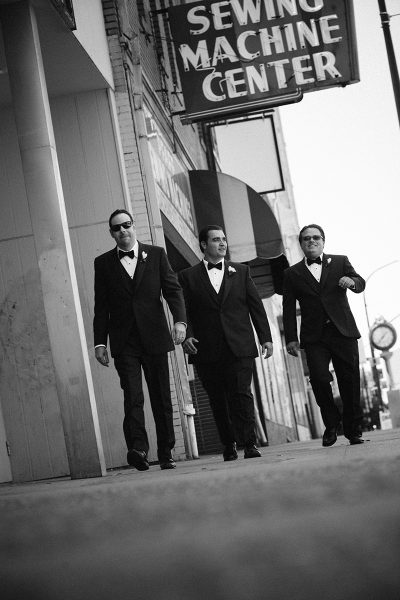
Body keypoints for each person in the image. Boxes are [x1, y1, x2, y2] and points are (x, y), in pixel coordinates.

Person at [93, 209, 187, 471]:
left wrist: (180, 321)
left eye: (126, 225)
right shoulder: (103, 263)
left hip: (155, 337)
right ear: (111, 233)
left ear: (133, 226)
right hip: (124, 341)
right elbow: (101, 306)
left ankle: (166, 451)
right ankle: (139, 449)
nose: (122, 230)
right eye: (117, 228)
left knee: (161, 397)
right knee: (132, 396)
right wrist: (99, 342)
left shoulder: (156, 255)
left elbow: (173, 290)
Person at [178, 225, 273, 461]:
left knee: (242, 394)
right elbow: (184, 309)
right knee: (217, 399)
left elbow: (256, 306)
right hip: (206, 347)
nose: (222, 243)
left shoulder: (241, 271)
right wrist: (187, 334)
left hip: (240, 345)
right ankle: (228, 443)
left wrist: (266, 338)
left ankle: (249, 443)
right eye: (216, 240)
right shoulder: (188, 276)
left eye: (224, 239)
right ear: (203, 245)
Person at [282, 224, 365, 447]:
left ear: (323, 241)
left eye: (316, 237)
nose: (311, 241)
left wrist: (352, 283)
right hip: (314, 336)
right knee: (319, 379)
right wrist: (291, 338)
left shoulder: (340, 262)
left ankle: (353, 430)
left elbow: (360, 282)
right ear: (301, 244)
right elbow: (288, 308)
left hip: (343, 332)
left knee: (349, 381)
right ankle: (331, 423)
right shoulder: (291, 274)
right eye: (306, 238)